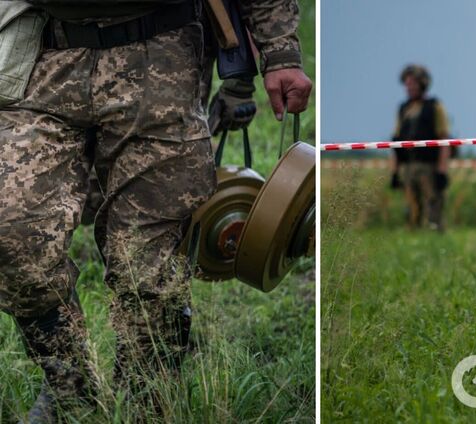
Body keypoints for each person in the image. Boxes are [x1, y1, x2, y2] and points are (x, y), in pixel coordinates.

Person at [0, 0, 312, 422]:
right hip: (43, 55)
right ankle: (68, 385)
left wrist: (281, 52)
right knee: (13, 234)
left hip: (158, 55)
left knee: (147, 265)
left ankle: (146, 398)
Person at [391, 64, 451, 230]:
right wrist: (395, 172)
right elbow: (396, 143)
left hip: (429, 166)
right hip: (408, 166)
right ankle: (413, 237)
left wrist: (441, 170)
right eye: (407, 83)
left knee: (433, 206)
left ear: (423, 84)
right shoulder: (403, 109)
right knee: (411, 209)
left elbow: (444, 140)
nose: (409, 87)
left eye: (413, 83)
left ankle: (436, 236)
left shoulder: (434, 107)